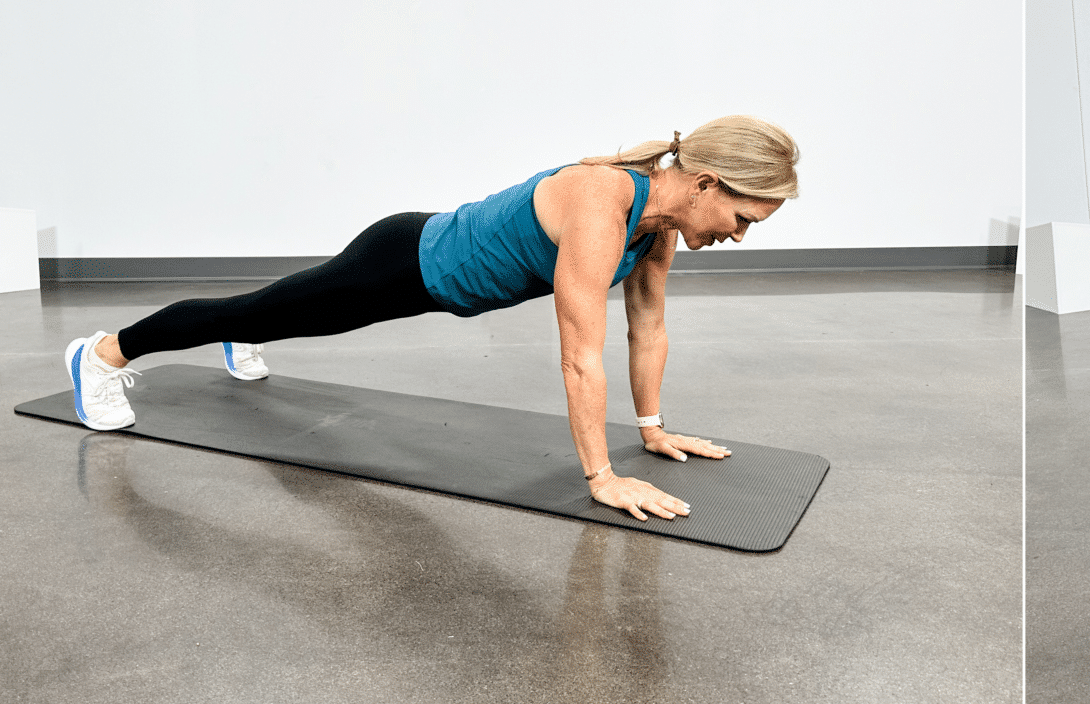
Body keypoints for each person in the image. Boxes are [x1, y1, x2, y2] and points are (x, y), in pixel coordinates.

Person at [63, 116, 799, 521]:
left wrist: (653, 429)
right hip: (404, 262)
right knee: (255, 310)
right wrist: (601, 475)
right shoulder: (603, 202)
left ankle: (246, 332)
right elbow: (581, 354)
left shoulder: (658, 227)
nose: (739, 232)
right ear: (705, 183)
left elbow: (649, 330)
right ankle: (102, 354)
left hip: (429, 274)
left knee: (279, 314)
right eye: (743, 215)